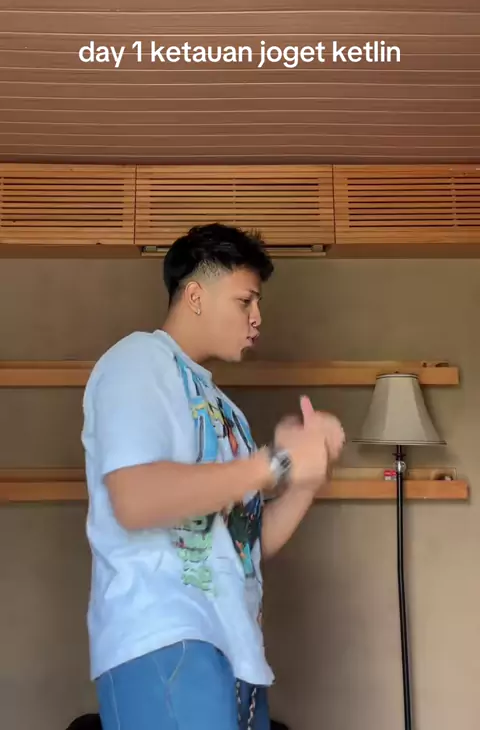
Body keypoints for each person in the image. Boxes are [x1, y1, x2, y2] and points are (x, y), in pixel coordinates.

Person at [81, 223, 345, 730]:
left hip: (237, 649)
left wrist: (306, 481)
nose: (257, 318)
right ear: (196, 296)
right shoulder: (138, 360)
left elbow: (247, 543)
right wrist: (274, 463)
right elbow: (134, 499)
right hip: (164, 640)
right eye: (245, 301)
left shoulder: (226, 411)